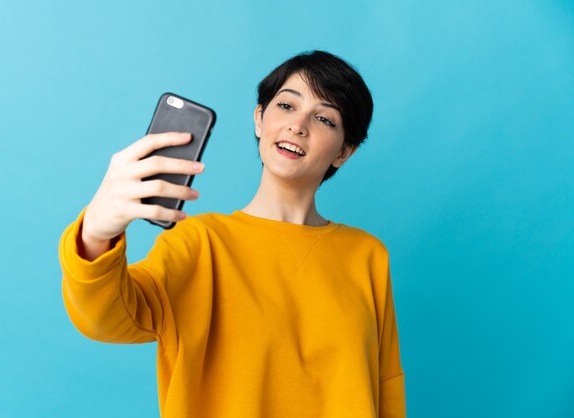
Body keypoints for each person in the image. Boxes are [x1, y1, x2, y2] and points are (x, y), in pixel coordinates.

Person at [59, 50, 406, 417]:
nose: (298, 125)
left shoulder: (367, 256)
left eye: (324, 118)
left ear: (344, 152)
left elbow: (385, 388)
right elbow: (107, 319)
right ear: (260, 119)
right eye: (287, 106)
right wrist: (96, 233)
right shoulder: (199, 243)